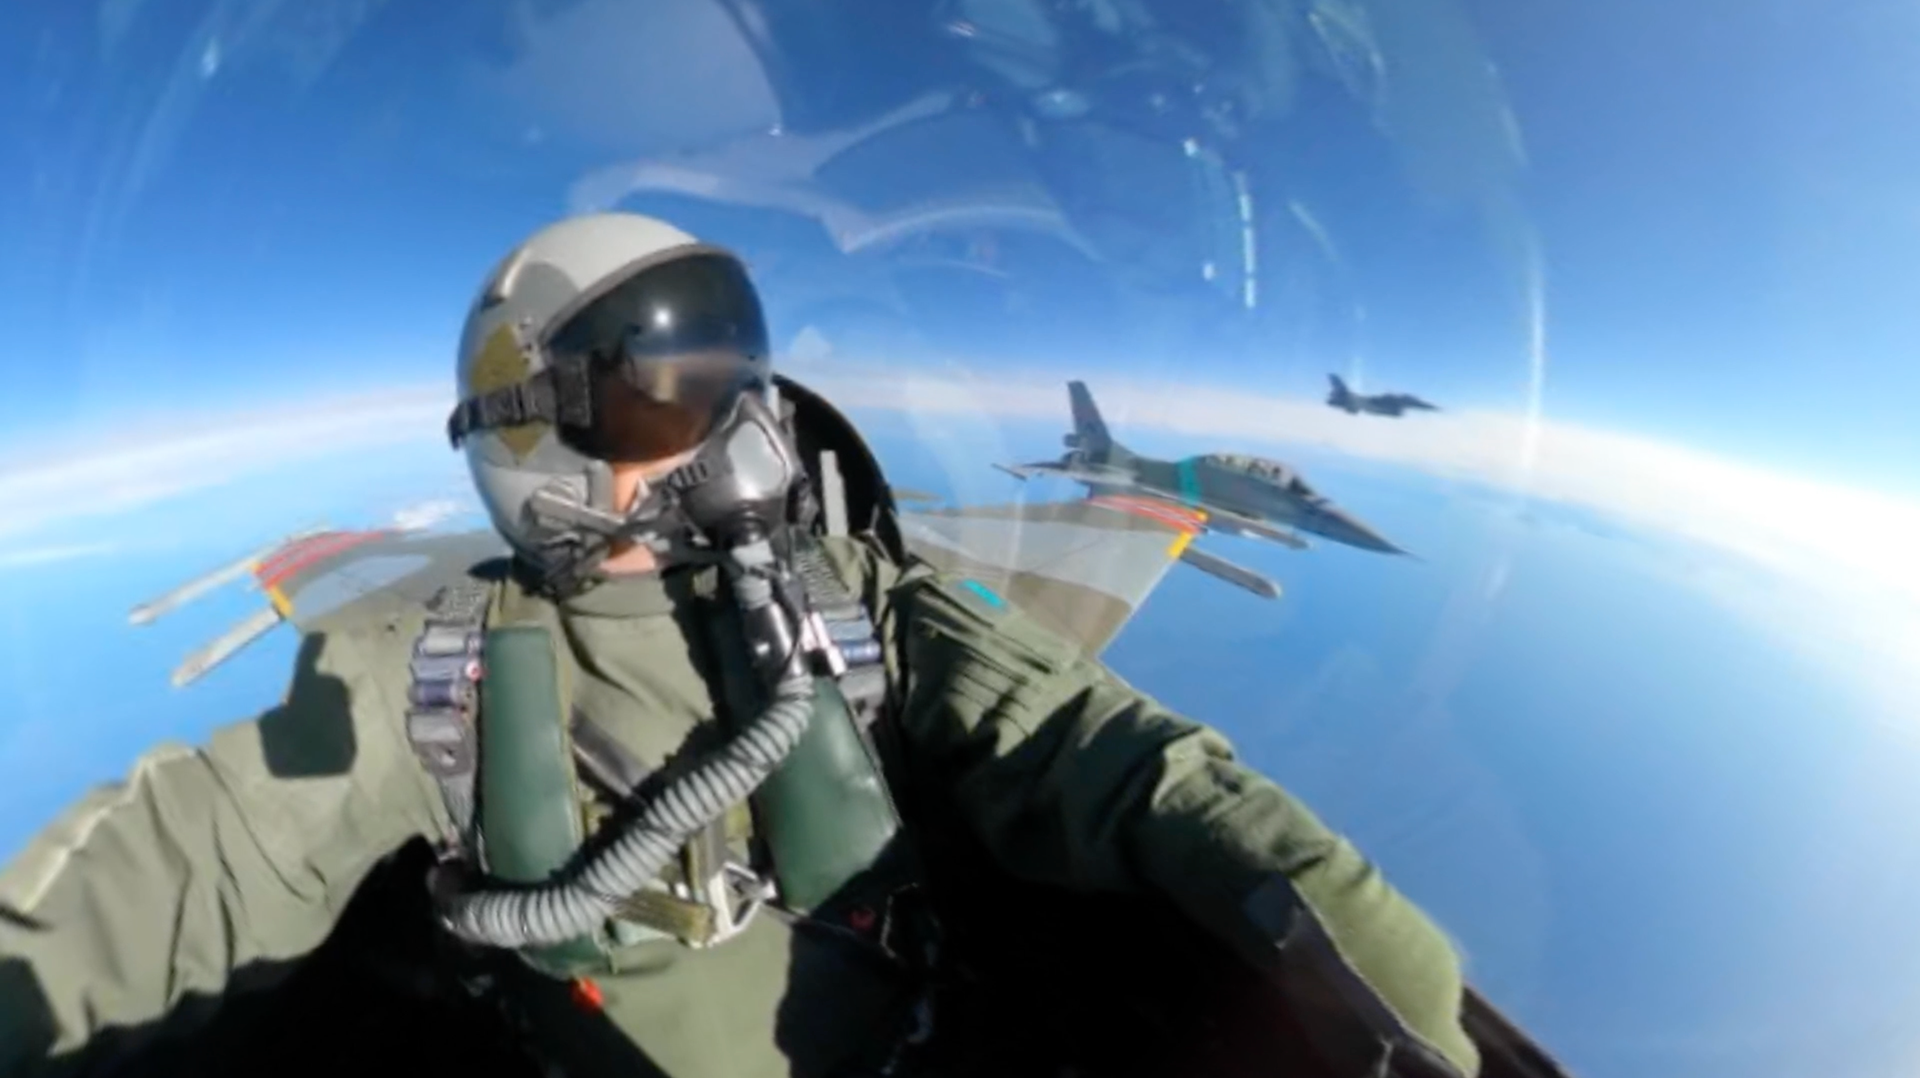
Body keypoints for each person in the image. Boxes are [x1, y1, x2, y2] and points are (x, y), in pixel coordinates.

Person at [0, 213, 1480, 1078]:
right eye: (664, 393)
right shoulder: (426, 669)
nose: (734, 429)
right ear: (531, 439)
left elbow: (1122, 761)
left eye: (731, 378)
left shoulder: (862, 602)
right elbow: (186, 860)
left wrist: (1387, 987)